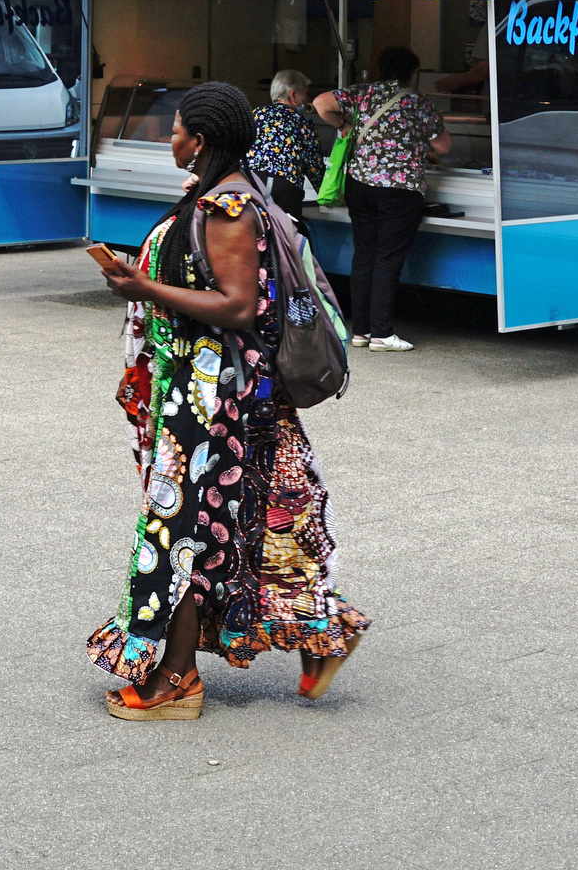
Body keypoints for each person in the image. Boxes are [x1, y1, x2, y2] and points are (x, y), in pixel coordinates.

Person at [91, 81, 370, 721]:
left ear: (204, 140)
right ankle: (324, 634)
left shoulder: (228, 209)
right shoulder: (221, 196)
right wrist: (140, 285)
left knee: (178, 530)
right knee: (260, 519)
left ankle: (176, 679)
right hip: (209, 388)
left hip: (211, 397)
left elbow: (238, 306)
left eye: (179, 128)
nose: (170, 136)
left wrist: (144, 287)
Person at [313, 46, 451, 352]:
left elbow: (321, 102)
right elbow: (443, 146)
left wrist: (343, 125)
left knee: (364, 255)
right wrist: (419, 142)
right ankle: (382, 334)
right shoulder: (416, 100)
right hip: (399, 189)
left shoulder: (363, 93)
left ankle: (360, 331)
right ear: (411, 73)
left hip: (360, 184)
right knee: (388, 258)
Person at [245, 69, 324, 226]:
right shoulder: (302, 122)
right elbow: (314, 167)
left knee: (254, 237)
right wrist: (327, 195)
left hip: (250, 185)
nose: (308, 99)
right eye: (306, 94)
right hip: (284, 190)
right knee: (286, 241)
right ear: (293, 95)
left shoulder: (256, 114)